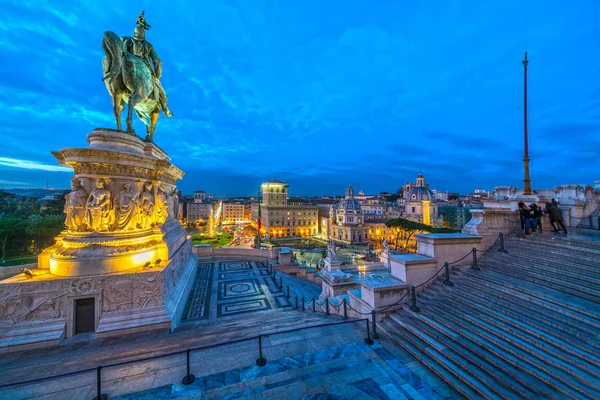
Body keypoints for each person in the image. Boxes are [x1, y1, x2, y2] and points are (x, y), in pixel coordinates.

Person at [122, 12, 173, 117]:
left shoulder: (126, 40)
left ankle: (120, 102)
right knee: (162, 92)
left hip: (125, 64)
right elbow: (158, 61)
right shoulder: (148, 45)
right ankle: (166, 109)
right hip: (144, 66)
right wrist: (157, 75)